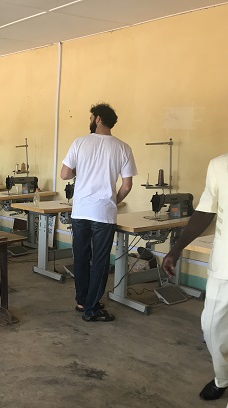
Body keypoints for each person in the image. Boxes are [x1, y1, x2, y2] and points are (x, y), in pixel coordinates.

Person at [162, 153, 228, 408]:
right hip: (224, 263)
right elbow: (205, 211)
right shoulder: (220, 165)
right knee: (211, 327)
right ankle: (223, 377)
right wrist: (176, 250)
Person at [60, 103, 137, 322]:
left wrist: (79, 170)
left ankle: (83, 301)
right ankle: (91, 307)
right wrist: (114, 200)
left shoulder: (79, 143)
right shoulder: (123, 148)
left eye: (92, 116)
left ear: (98, 119)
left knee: (82, 258)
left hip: (80, 211)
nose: (90, 119)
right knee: (100, 261)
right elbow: (127, 185)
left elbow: (64, 174)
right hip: (103, 213)